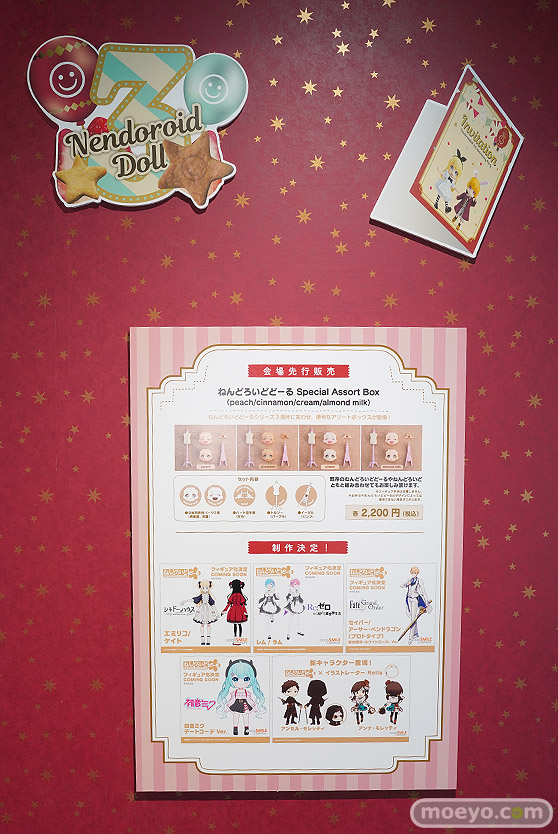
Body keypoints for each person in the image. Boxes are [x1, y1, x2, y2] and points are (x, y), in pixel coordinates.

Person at [216, 659, 265, 736]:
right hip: (236, 704)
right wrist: (228, 707)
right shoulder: (234, 693)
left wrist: (254, 706)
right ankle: (235, 729)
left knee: (246, 717)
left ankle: (246, 729)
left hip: (245, 705)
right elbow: (232, 699)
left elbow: (249, 699)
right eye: (235, 679)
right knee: (236, 717)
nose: (241, 682)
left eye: (246, 679)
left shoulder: (247, 692)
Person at [222, 579, 248, 646]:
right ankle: (237, 639)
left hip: (235, 610)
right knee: (238, 625)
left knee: (236, 625)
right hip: (238, 610)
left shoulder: (234, 595)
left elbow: (229, 604)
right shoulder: (236, 595)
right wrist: (224, 610)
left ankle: (238, 639)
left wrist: (225, 610)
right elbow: (242, 605)